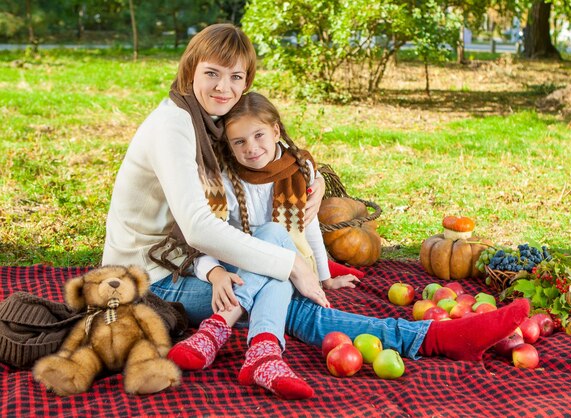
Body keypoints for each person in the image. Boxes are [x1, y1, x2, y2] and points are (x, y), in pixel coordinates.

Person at [102, 23, 530, 400]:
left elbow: (268, 155)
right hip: (151, 277)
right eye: (211, 73)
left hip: (188, 262)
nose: (223, 87)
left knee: (271, 257)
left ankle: (249, 343)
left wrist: (312, 181)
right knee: (288, 299)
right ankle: (433, 339)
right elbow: (197, 226)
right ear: (189, 69)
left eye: (236, 77)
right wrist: (293, 265)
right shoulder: (173, 127)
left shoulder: (208, 119)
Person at [166, 91, 359, 399]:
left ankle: (217, 328)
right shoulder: (224, 178)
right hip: (243, 267)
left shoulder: (299, 170)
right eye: (239, 142)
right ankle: (264, 355)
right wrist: (213, 272)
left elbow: (309, 229)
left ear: (276, 131)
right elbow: (202, 237)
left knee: (274, 236)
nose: (251, 148)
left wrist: (325, 278)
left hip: (295, 269)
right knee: (274, 256)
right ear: (228, 145)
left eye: (259, 135)